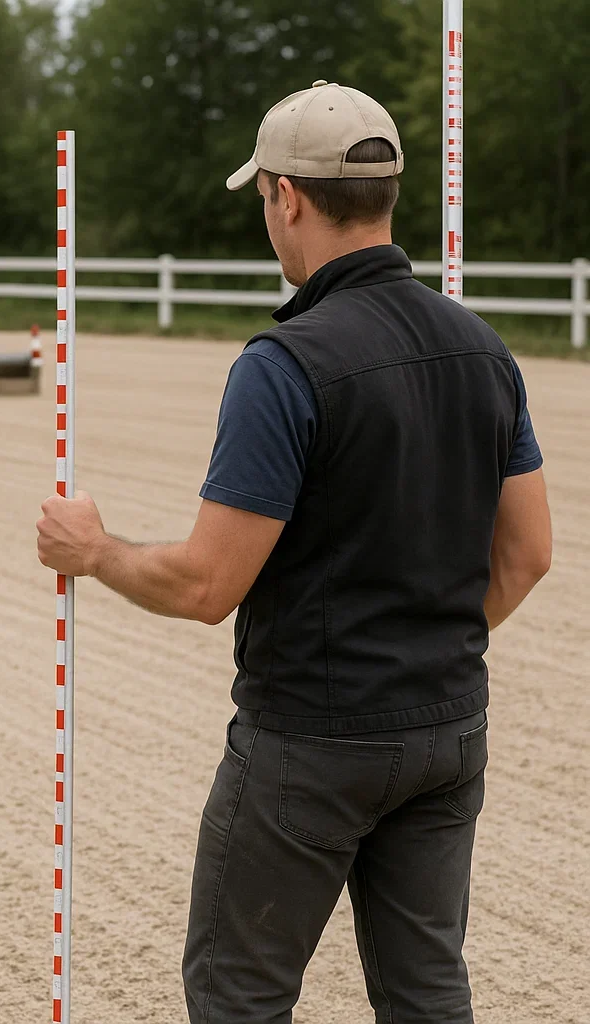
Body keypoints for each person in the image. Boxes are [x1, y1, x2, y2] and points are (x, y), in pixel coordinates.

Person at [35, 80, 552, 1024]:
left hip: (311, 742)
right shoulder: (487, 351)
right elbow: (528, 557)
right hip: (448, 730)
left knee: (239, 994)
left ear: (288, 198)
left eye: (265, 201)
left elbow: (204, 585)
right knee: (429, 993)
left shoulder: (284, 367)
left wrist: (95, 550)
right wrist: (419, 649)